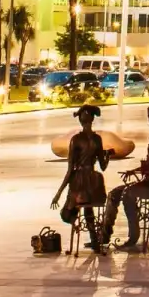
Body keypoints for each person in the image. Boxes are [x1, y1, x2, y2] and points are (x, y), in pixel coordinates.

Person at [100, 103, 149, 250]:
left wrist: (143, 174)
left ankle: (133, 236)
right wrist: (135, 171)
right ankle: (104, 235)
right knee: (115, 193)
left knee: (128, 193)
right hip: (148, 180)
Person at [55, 104, 110, 251]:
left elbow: (70, 170)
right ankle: (94, 240)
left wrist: (59, 193)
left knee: (69, 211)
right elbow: (103, 167)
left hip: (79, 182)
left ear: (80, 120)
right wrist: (107, 155)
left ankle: (81, 232)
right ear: (92, 120)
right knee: (89, 208)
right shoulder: (98, 139)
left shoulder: (76, 140)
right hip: (94, 183)